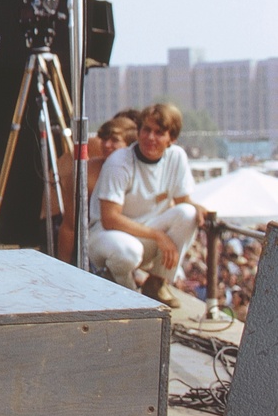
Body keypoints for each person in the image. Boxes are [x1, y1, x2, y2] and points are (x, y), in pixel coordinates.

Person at [88, 103, 206, 302]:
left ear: (172, 139)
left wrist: (198, 207)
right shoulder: (120, 161)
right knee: (128, 251)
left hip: (144, 234)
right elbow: (109, 219)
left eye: (159, 132)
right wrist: (157, 235)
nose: (150, 137)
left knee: (188, 213)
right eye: (146, 130)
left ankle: (156, 283)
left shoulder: (176, 157)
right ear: (139, 131)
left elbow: (182, 201)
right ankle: (129, 294)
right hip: (106, 236)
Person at [53, 116, 137, 263]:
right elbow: (69, 226)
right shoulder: (86, 173)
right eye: (104, 139)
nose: (106, 145)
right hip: (99, 241)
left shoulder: (141, 170)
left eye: (114, 140)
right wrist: (63, 266)